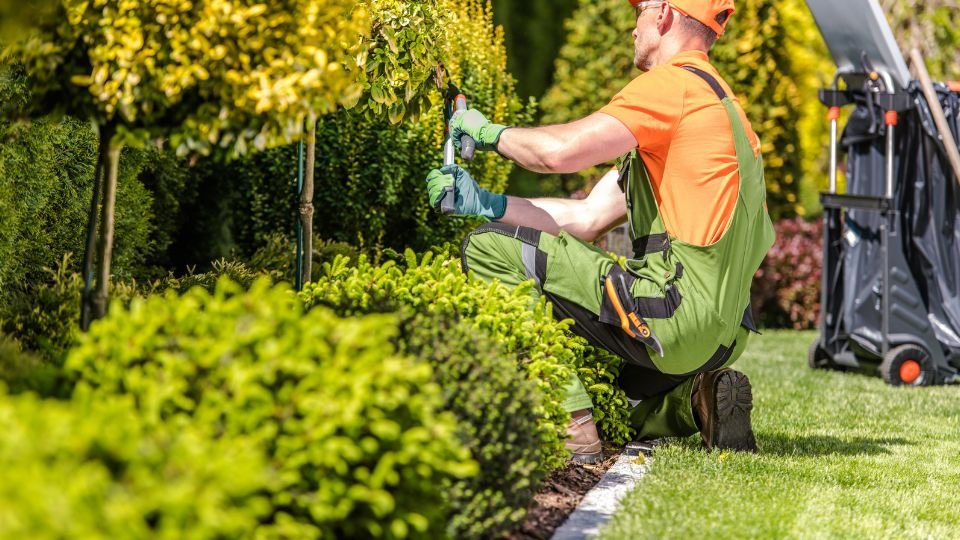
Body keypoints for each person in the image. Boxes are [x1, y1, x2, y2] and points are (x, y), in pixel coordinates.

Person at [425, 0, 775, 462]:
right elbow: (586, 217)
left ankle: (568, 427)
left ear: (664, 14)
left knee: (489, 249)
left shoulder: (673, 87)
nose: (633, 28)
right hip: (723, 337)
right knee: (606, 391)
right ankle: (696, 401)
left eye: (639, 14)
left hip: (674, 315)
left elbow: (558, 154)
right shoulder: (723, 108)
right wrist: (486, 203)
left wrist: (488, 131)